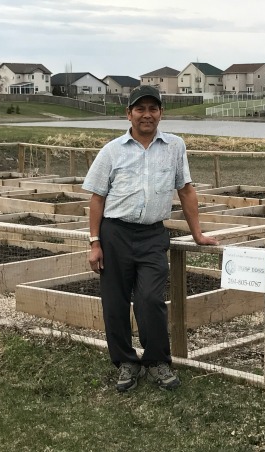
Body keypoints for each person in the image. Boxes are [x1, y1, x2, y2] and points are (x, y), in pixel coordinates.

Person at [82, 85, 219, 392]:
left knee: (150, 299)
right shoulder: (112, 150)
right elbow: (96, 199)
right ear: (128, 114)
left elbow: (185, 190)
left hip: (153, 235)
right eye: (140, 109)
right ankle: (126, 362)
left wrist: (197, 234)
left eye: (152, 109)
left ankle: (157, 361)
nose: (147, 115)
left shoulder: (174, 147)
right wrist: (95, 242)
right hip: (115, 234)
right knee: (115, 303)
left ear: (161, 113)